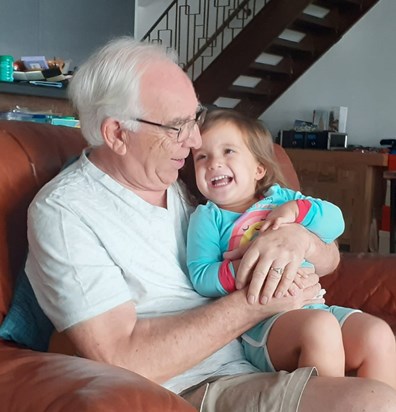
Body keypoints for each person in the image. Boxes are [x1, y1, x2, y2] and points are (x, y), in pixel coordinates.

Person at [24, 36, 396, 411]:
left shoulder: (182, 184)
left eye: (195, 117)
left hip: (253, 356)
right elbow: (124, 358)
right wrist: (260, 299)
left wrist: (299, 241)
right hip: (197, 384)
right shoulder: (66, 212)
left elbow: (329, 259)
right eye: (177, 126)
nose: (196, 140)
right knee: (375, 403)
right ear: (118, 134)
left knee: (379, 351)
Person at [186, 108, 396, 388]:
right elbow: (201, 276)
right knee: (320, 330)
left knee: (378, 334)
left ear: (259, 169)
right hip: (262, 326)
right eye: (202, 157)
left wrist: (298, 210)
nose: (214, 163)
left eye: (228, 151)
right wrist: (244, 267)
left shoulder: (281, 198)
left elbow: (335, 222)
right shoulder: (208, 217)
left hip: (315, 306)